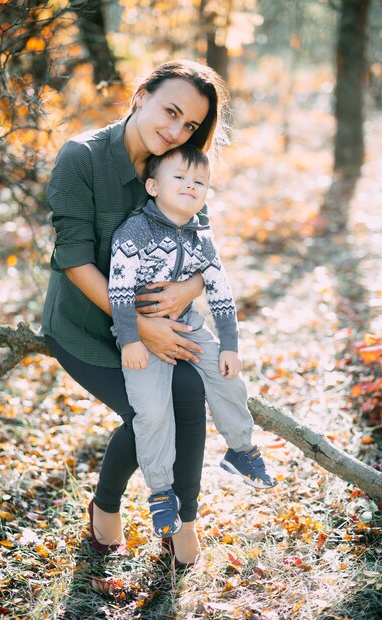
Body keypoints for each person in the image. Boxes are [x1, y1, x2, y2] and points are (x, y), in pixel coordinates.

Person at [41, 59, 230, 568]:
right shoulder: (82, 158)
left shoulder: (179, 163)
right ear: (141, 95)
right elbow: (74, 259)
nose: (175, 131)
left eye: (190, 125)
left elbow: (203, 249)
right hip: (85, 325)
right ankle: (104, 508)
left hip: (159, 326)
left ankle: (182, 523)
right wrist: (138, 324)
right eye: (169, 111)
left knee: (189, 394)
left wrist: (188, 286)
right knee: (145, 412)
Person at [109, 145, 276, 539]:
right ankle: (161, 490)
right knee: (151, 411)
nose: (191, 186)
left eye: (199, 181)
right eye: (179, 178)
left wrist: (230, 344)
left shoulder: (201, 235)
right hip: (141, 333)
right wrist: (130, 340)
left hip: (187, 325)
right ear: (152, 186)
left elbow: (220, 290)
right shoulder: (133, 232)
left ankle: (240, 449)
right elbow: (117, 291)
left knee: (227, 377)